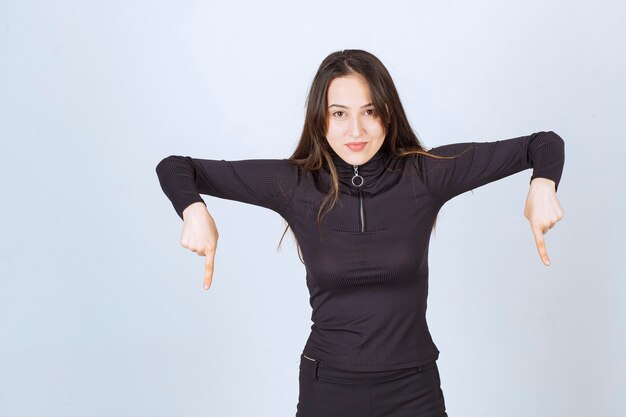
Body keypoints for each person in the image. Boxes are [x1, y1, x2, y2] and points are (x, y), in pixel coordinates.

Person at [155, 49, 565, 417]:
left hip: (413, 390)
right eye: (339, 113)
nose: (356, 130)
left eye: (369, 111)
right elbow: (176, 167)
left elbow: (543, 144)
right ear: (321, 118)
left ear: (388, 113)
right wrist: (194, 210)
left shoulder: (425, 174)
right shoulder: (295, 184)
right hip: (327, 390)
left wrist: (542, 185)